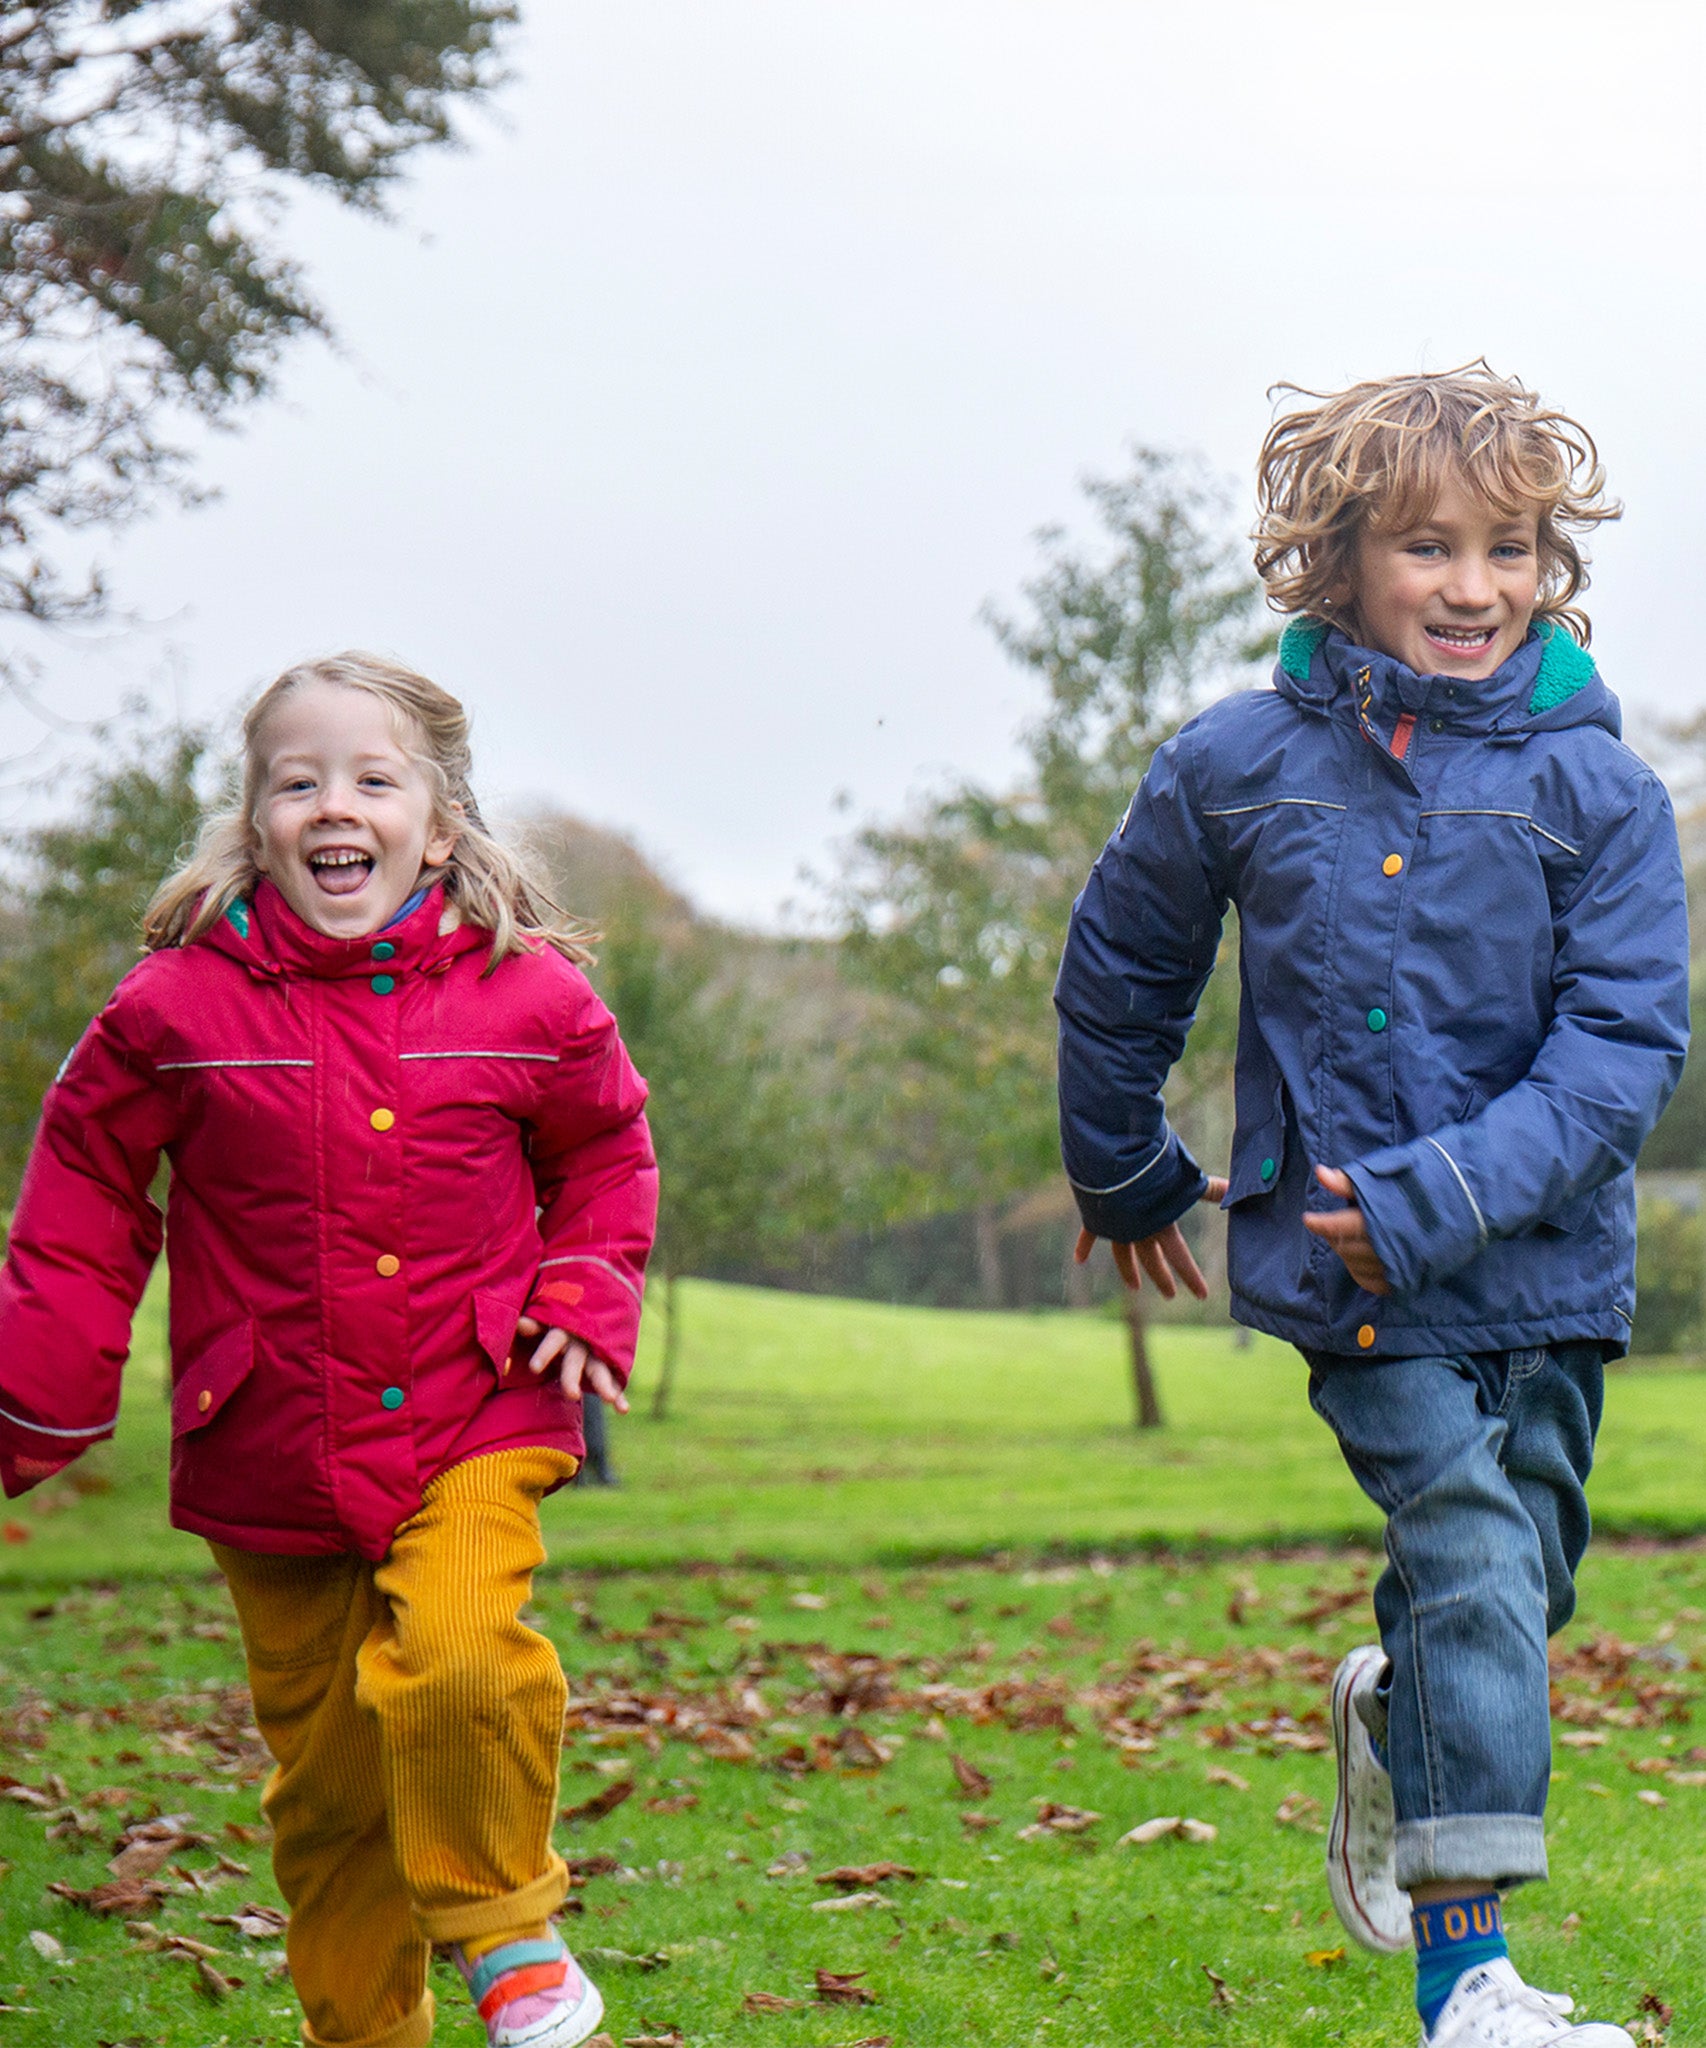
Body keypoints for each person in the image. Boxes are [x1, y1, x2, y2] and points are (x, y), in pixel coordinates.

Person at [1056, 365, 1688, 2048]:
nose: (1471, 586)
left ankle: (1398, 1723)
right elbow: (1124, 964)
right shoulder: (1233, 764)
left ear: (1548, 568)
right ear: (1334, 564)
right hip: (1349, 1281)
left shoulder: (1603, 798)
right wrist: (1122, 1166)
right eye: (1426, 546)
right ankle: (1465, 1981)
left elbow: (1622, 1050)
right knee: (1472, 1557)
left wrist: (1448, 1195)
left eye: (1507, 550)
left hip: (1545, 1274)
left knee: (1511, 1595)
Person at [0, 652, 655, 2048]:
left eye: (370, 778)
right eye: (295, 782)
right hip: (267, 1443)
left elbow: (604, 1148)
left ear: (440, 818)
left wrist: (589, 1286)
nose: (330, 804)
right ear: (251, 822)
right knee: (332, 1796)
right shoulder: (172, 1010)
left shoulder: (525, 997)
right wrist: (37, 1401)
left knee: (466, 1662)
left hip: (478, 1406)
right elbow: (84, 1197)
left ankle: (502, 1929)